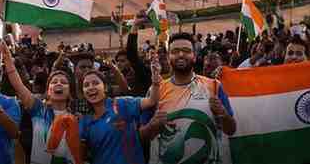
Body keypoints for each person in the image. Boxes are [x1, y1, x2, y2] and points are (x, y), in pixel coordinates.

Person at [143, 32, 236, 164]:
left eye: (186, 51)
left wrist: (223, 114)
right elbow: (142, 136)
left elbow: (231, 130)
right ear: (169, 57)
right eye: (175, 51)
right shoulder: (155, 91)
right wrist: (153, 125)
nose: (181, 54)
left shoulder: (214, 86)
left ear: (194, 56)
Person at [50, 59, 160, 164]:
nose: (91, 87)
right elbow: (79, 154)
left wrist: (155, 82)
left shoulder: (122, 104)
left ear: (106, 87)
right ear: (83, 93)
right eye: (86, 85)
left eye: (95, 83)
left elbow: (151, 101)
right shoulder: (84, 121)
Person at [1, 41, 81, 164]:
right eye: (54, 82)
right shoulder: (38, 109)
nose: (58, 83)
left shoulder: (77, 118)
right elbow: (18, 86)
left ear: (70, 91)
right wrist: (7, 59)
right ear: (48, 91)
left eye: (63, 82)